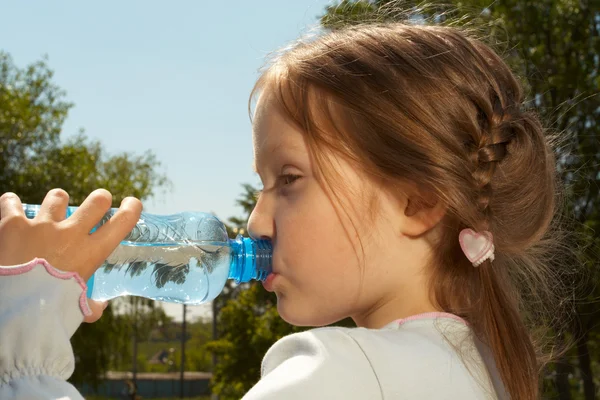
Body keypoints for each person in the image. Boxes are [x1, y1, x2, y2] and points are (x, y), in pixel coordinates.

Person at [0, 20, 571, 400]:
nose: (255, 221)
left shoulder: (337, 375)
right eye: (262, 185)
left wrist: (25, 321)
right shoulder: (487, 372)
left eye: (289, 180)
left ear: (418, 201)